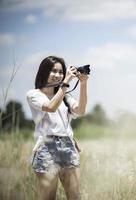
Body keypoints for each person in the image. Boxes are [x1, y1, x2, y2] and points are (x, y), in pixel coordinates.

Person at [26, 56, 88, 200]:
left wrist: (83, 84)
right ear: (44, 72)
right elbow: (50, 107)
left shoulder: (64, 96)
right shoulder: (34, 94)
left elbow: (81, 110)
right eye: (53, 71)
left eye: (61, 72)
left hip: (68, 146)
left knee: (75, 196)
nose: (58, 75)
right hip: (46, 146)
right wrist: (65, 82)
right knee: (48, 197)